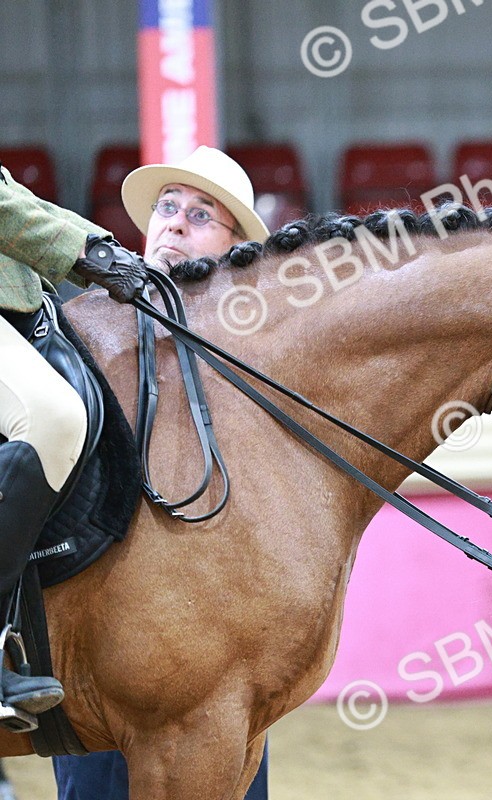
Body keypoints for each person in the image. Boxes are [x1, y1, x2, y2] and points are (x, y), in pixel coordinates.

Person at [49, 145, 270, 800]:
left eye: (201, 213)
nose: (174, 222)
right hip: (108, 635)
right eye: (168, 207)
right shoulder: (85, 326)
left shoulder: (256, 354)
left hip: (225, 643)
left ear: (232, 245)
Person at [0, 163, 150, 715]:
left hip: (23, 311)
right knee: (52, 417)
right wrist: (85, 251)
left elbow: (11, 196)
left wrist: (105, 247)